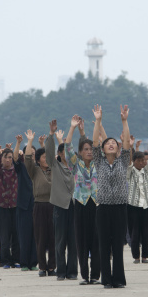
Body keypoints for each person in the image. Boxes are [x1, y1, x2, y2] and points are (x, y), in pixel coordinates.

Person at [92, 104, 131, 288]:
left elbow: (128, 144)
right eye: (108, 143)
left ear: (118, 148)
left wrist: (124, 121)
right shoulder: (98, 161)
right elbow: (94, 142)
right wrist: (98, 121)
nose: (110, 144)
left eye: (114, 143)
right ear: (103, 147)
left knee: (117, 246)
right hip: (103, 209)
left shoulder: (123, 160)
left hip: (120, 208)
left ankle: (119, 280)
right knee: (104, 246)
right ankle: (106, 280)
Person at [65, 115, 101, 285]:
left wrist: (84, 131)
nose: (89, 151)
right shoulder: (75, 165)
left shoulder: (98, 164)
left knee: (96, 241)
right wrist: (73, 128)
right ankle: (85, 276)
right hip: (80, 204)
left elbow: (98, 144)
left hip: (96, 204)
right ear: (80, 152)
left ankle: (95, 275)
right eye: (85, 149)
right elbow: (67, 147)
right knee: (82, 241)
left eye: (91, 149)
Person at [46, 120, 77, 281]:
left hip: (74, 206)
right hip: (59, 206)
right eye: (63, 152)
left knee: (73, 241)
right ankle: (61, 272)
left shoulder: (75, 167)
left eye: (69, 152)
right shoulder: (55, 165)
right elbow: (49, 152)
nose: (67, 155)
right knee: (60, 242)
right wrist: (51, 134)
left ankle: (72, 271)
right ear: (60, 154)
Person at [25, 129, 56, 277]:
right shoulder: (34, 171)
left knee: (53, 237)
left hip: (54, 205)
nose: (46, 159)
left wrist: (47, 143)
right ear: (38, 160)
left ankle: (52, 267)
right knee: (41, 237)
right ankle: (42, 267)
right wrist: (30, 141)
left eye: (47, 157)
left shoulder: (54, 170)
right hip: (39, 205)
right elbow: (27, 160)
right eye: (44, 157)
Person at [11, 137, 37, 272]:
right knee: (24, 235)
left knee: (36, 235)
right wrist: (19, 143)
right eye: (28, 154)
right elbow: (14, 158)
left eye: (33, 154)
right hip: (23, 205)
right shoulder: (21, 167)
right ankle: (24, 262)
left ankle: (34, 262)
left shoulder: (39, 167)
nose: (31, 156)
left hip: (37, 204)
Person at [0, 141, 22, 269]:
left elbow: (20, 161)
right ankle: (4, 260)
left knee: (16, 234)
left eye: (10, 157)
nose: (8, 160)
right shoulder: (0, 171)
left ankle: (16, 259)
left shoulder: (15, 170)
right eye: (6, 157)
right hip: (2, 206)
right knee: (4, 235)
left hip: (15, 205)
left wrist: (18, 145)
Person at [127, 150, 148, 264]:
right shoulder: (130, 171)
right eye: (139, 161)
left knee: (146, 232)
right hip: (133, 205)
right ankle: (136, 256)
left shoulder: (147, 170)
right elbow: (127, 160)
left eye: (143, 160)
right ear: (134, 162)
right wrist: (131, 146)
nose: (142, 163)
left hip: (146, 205)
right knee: (135, 232)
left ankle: (145, 256)